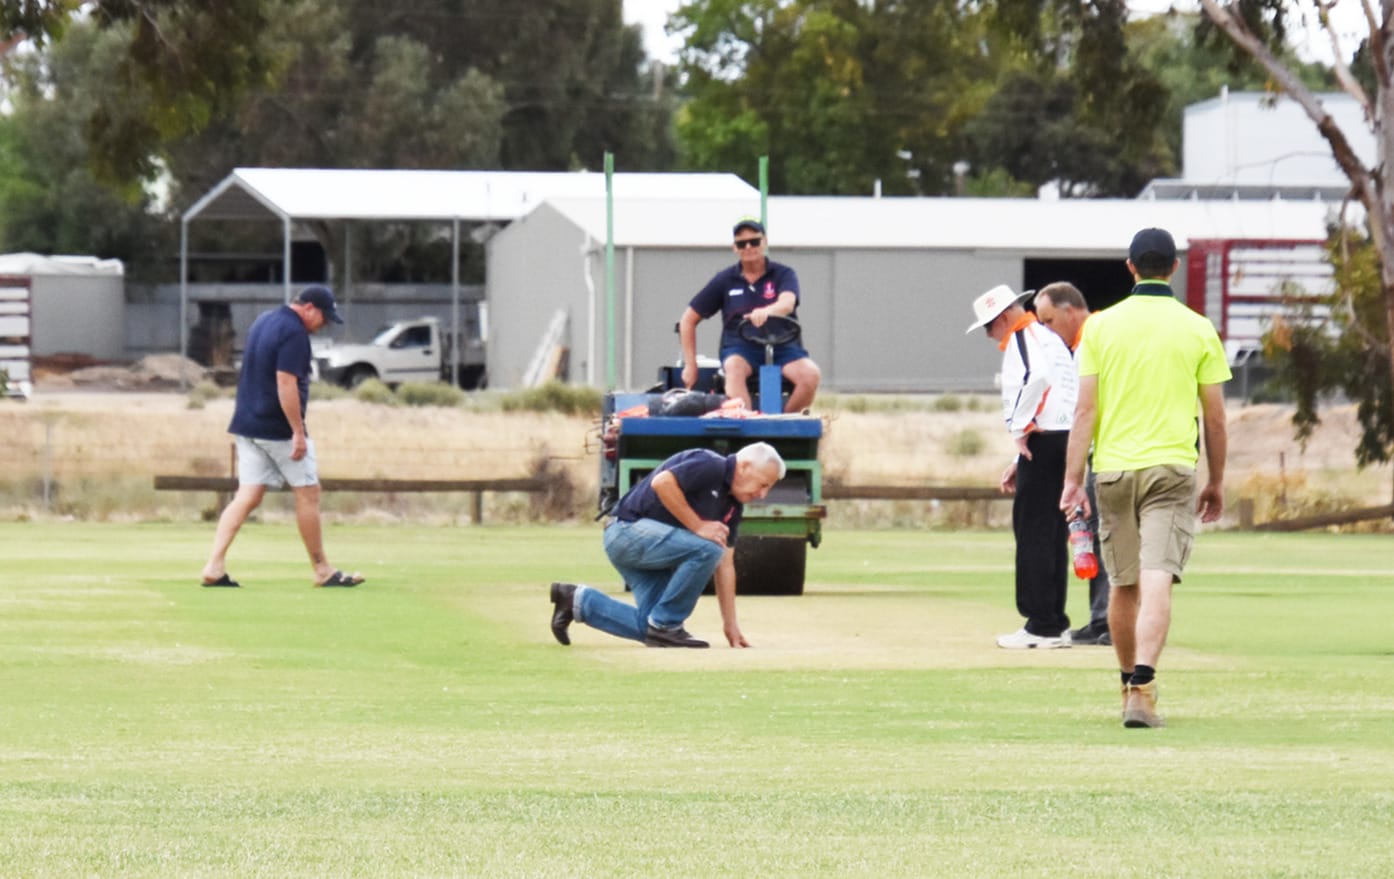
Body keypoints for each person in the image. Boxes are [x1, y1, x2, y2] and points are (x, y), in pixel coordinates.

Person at [1060, 227, 1230, 729]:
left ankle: (1124, 683)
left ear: (1130, 267)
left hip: (1112, 469)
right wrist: (1216, 479)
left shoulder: (1101, 328)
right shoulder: (1198, 327)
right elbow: (1215, 416)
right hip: (1172, 468)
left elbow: (1084, 410)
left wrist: (1073, 479)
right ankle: (1144, 687)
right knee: (1159, 580)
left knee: (1123, 583)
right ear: (1173, 268)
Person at [199, 285, 366, 589]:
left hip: (247, 423)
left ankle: (214, 565)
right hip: (277, 428)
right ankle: (322, 570)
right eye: (324, 318)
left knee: (248, 495)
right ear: (309, 308)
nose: (323, 325)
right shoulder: (294, 334)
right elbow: (286, 383)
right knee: (308, 492)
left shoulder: (264, 321)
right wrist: (298, 432)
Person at [549, 442, 785, 648]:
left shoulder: (733, 507)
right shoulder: (710, 464)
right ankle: (667, 625)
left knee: (650, 627)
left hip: (650, 552)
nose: (763, 495)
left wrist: (730, 625)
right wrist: (698, 526)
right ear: (744, 467)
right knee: (707, 549)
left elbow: (725, 565)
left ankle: (576, 599)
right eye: (763, 484)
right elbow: (662, 483)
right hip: (625, 533)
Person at [966, 284, 1079, 649]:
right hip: (1062, 439)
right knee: (1050, 532)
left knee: (1033, 531)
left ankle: (1040, 624)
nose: (988, 335)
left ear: (1002, 318)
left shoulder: (1023, 337)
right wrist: (1019, 455)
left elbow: (1037, 379)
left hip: (1044, 441)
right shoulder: (1049, 339)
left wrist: (1019, 428)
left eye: (988, 326)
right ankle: (1053, 621)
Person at [1034, 282, 1112, 647]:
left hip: (1108, 451)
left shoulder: (1093, 340)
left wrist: (1073, 473)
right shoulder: (1083, 343)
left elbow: (1083, 409)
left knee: (1103, 536)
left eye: (1048, 320)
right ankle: (1101, 618)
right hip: (1107, 450)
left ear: (1069, 311)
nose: (1046, 330)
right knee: (1095, 536)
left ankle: (1108, 619)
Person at [679, 219, 821, 413]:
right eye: (741, 244)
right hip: (741, 347)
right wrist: (690, 365)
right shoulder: (725, 280)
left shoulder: (783, 274)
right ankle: (749, 423)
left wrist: (767, 311)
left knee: (810, 374)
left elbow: (787, 303)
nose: (748, 247)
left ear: (764, 242)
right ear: (734, 248)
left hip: (783, 347)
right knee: (734, 369)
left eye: (754, 242)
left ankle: (785, 423)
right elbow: (688, 319)